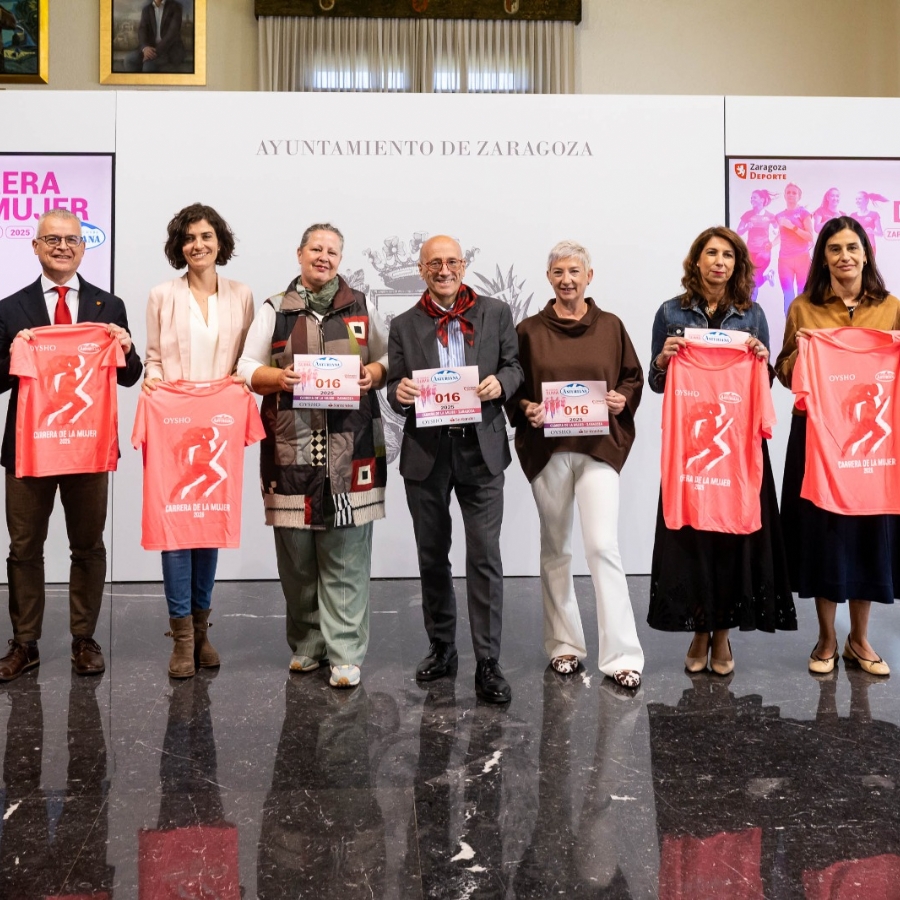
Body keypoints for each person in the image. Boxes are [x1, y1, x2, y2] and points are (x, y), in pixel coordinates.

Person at [237, 223, 387, 690]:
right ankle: (307, 643)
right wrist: (276, 379)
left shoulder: (362, 305)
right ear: (300, 253)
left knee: (345, 554)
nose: (324, 257)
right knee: (297, 556)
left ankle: (345, 652)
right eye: (316, 249)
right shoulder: (274, 309)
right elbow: (245, 367)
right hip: (290, 448)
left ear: (341, 259)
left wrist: (374, 373)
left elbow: (389, 359)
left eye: (333, 252)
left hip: (351, 450)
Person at [0, 209, 142, 681]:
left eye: (72, 239)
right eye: (52, 239)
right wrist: (12, 354)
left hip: (86, 445)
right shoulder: (10, 308)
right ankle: (25, 644)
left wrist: (123, 347)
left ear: (84, 247)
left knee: (88, 545)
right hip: (28, 450)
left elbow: (130, 376)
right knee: (24, 548)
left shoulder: (108, 306)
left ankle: (84, 639)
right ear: (35, 246)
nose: (63, 246)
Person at [647, 226, 796, 674]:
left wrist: (759, 357)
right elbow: (658, 383)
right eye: (711, 253)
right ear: (696, 261)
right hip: (691, 447)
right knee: (692, 536)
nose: (719, 262)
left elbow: (762, 383)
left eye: (728, 256)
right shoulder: (669, 313)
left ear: (738, 264)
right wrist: (663, 359)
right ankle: (698, 630)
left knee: (734, 537)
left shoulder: (752, 314)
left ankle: (724, 635)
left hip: (738, 444)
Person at [387, 234, 523, 704]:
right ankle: (443, 647)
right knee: (432, 555)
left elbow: (515, 367)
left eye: (451, 262)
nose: (444, 270)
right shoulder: (404, 324)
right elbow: (392, 385)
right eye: (434, 264)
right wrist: (399, 393)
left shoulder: (496, 313)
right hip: (427, 453)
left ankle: (488, 660)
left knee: (485, 556)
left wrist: (499, 384)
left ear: (463, 266)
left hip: (481, 450)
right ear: (422, 271)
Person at [506, 240, 644, 689]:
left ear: (589, 276)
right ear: (549, 277)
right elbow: (513, 385)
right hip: (548, 449)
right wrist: (526, 407)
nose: (567, 279)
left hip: (598, 447)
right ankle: (564, 645)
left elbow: (632, 376)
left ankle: (622, 654)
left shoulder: (611, 326)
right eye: (559, 272)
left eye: (575, 271)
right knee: (555, 548)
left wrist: (623, 398)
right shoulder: (527, 330)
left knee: (603, 546)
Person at [775, 216, 900, 676]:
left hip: (872, 448)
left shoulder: (892, 307)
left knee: (870, 534)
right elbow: (784, 373)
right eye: (834, 249)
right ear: (822, 257)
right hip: (818, 437)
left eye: (852, 247)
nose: (844, 256)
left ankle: (860, 639)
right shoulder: (803, 307)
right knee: (824, 534)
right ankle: (827, 637)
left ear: (866, 253)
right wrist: (800, 351)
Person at [142, 203, 254, 678]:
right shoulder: (161, 295)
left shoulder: (242, 295)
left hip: (220, 424)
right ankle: (182, 638)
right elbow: (152, 358)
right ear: (178, 246)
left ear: (220, 242)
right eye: (189, 238)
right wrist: (152, 379)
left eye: (206, 236)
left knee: (209, 524)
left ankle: (203, 628)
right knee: (175, 530)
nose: (198, 245)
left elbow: (246, 361)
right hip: (174, 425)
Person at [775, 182, 814, 316]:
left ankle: (803, 325)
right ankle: (790, 328)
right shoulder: (779, 216)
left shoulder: (804, 213)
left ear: (799, 196)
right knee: (788, 294)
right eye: (788, 192)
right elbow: (781, 235)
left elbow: (810, 237)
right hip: (784, 260)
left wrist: (793, 227)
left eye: (794, 193)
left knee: (803, 293)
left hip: (802, 258)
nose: (791, 195)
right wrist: (770, 244)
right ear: (785, 195)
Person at [736, 190, 778, 301]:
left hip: (763, 251)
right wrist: (746, 227)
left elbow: (778, 230)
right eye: (751, 197)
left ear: (762, 200)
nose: (752, 199)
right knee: (752, 279)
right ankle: (767, 276)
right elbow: (738, 231)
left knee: (753, 277)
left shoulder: (770, 216)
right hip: (750, 251)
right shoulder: (747, 215)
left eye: (754, 197)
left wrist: (774, 235)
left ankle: (752, 302)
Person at [126, 0, 185, 74]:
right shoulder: (146, 9)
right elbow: (142, 30)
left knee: (148, 66)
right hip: (150, 48)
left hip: (169, 49)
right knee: (130, 59)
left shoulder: (175, 7)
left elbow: (172, 34)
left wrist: (153, 52)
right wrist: (145, 48)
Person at [851, 190, 887, 255]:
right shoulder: (853, 215)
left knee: (869, 265)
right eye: (856, 199)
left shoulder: (874, 214)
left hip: (870, 246)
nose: (857, 201)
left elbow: (880, 233)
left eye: (859, 199)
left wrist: (872, 232)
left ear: (866, 200)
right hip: (855, 247)